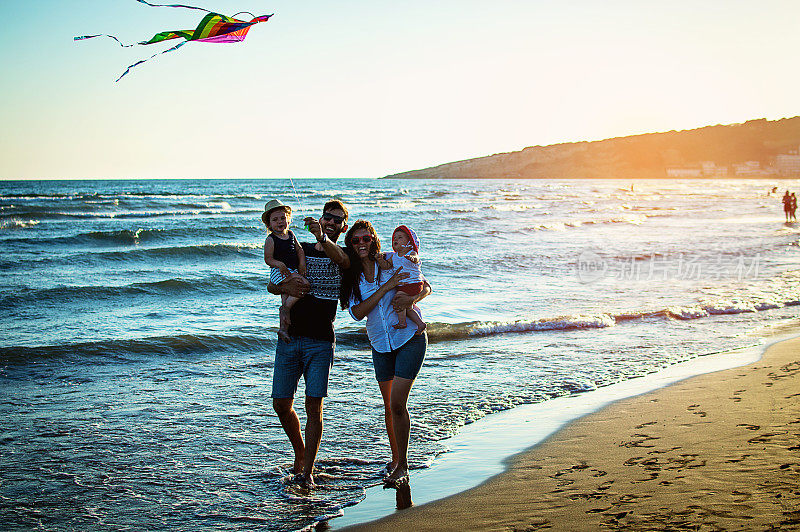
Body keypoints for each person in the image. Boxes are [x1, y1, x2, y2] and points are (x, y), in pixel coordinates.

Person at [340, 220, 431, 487]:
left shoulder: (391, 261)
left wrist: (414, 297)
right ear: (351, 245)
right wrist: (388, 286)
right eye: (355, 240)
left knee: (397, 404)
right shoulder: (353, 277)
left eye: (366, 239)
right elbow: (357, 313)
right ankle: (395, 460)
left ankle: (402, 466)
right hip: (380, 344)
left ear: (373, 240)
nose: (361, 244)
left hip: (409, 338)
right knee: (389, 408)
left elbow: (424, 284)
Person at [267, 200, 350, 489]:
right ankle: (300, 451)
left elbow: (342, 261)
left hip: (321, 341)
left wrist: (322, 238)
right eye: (328, 217)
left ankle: (308, 470)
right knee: (281, 404)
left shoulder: (343, 253)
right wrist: (282, 288)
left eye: (337, 220)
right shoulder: (297, 245)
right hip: (290, 339)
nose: (331, 221)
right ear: (321, 217)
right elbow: (272, 283)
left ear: (343, 227)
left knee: (313, 405)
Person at [262, 199, 308, 343]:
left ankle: (283, 329)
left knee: (285, 298)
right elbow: (268, 259)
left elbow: (299, 250)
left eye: (283, 218)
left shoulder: (291, 235)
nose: (280, 222)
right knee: (304, 284)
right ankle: (286, 308)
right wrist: (280, 265)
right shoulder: (271, 239)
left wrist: (302, 264)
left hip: (291, 270)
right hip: (280, 273)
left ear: (288, 219)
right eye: (275, 220)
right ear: (269, 224)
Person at [378, 225, 427, 334]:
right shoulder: (394, 256)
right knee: (408, 307)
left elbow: (416, 258)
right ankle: (420, 324)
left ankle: (402, 322)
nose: (396, 239)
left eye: (400, 237)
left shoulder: (411, 253)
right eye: (395, 237)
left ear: (409, 242)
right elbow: (386, 266)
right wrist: (381, 261)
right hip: (405, 285)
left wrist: (413, 258)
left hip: (413, 284)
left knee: (397, 300)